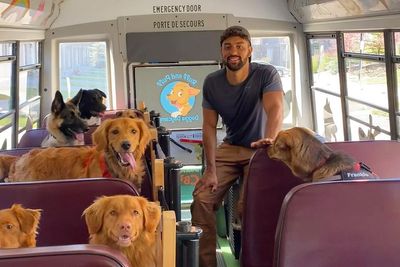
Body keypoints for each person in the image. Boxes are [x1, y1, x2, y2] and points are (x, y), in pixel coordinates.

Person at [190, 25, 284, 267]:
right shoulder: (212, 82)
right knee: (201, 199)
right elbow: (209, 127)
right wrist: (210, 169)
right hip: (231, 148)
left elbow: (275, 109)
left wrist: (270, 141)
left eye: (240, 46)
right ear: (222, 52)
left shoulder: (266, 74)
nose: (234, 51)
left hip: (262, 147)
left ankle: (252, 261)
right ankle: (207, 263)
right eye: (228, 47)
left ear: (249, 50)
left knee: (248, 207)